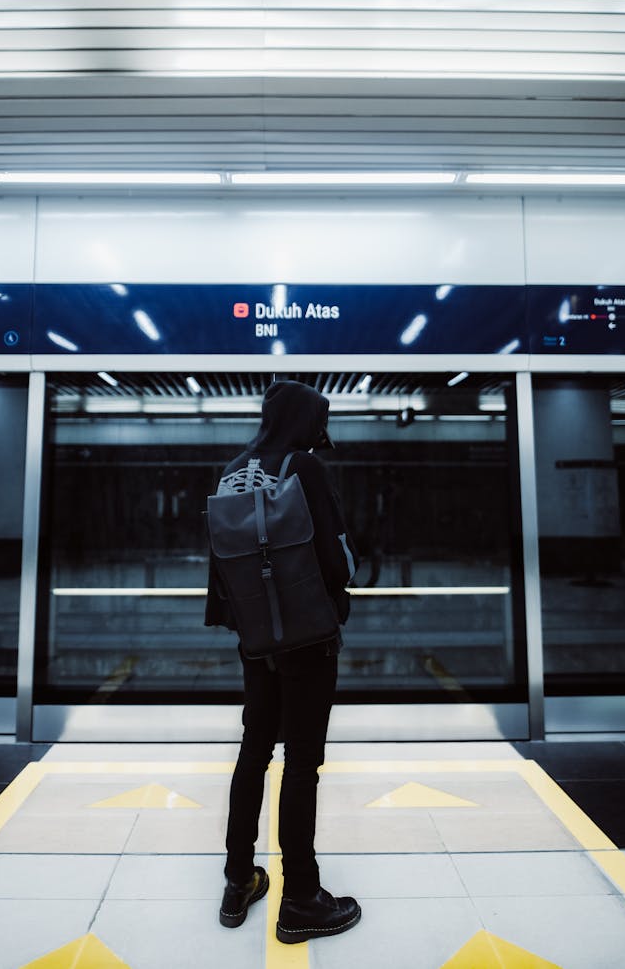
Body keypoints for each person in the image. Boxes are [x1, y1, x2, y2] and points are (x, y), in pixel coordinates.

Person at [205, 379, 361, 944]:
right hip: (308, 640)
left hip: (256, 642)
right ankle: (301, 897)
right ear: (306, 422)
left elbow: (220, 563)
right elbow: (338, 557)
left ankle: (238, 877)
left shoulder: (233, 468)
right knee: (301, 764)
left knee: (253, 752)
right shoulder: (306, 468)